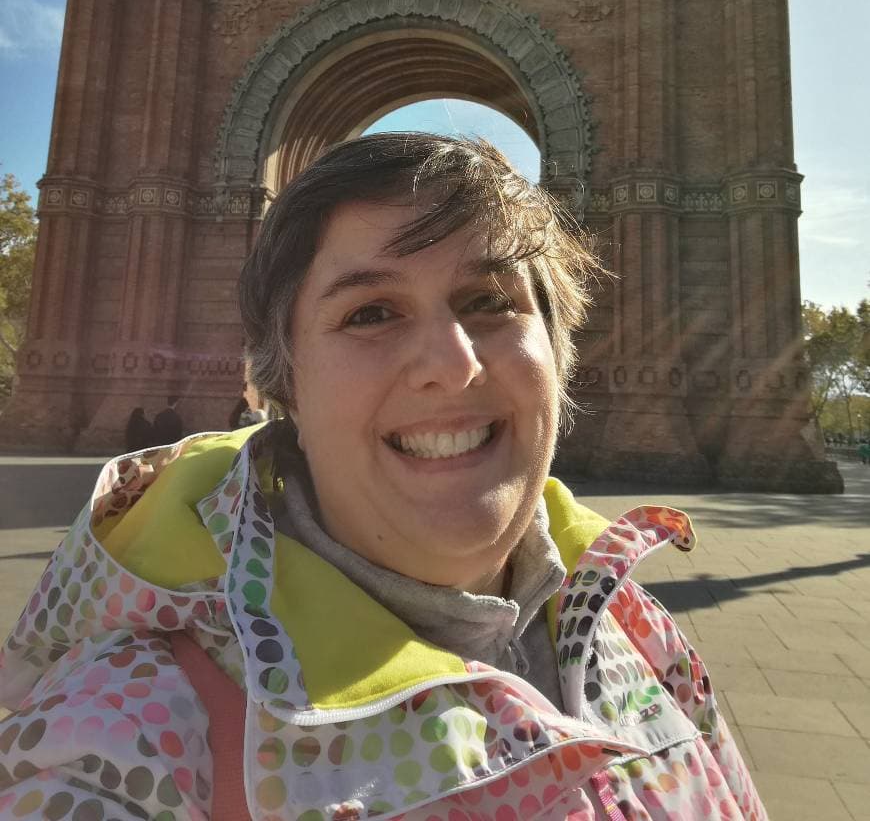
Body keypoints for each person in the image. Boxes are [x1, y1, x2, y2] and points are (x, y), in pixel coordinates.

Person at [0, 134, 766, 819]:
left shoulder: (633, 626)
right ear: (283, 385)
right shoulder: (130, 735)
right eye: (371, 313)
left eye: (489, 301)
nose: (451, 364)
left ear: (559, 354)